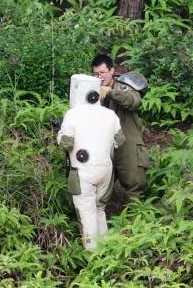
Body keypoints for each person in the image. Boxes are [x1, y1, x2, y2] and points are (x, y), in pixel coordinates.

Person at [57, 88, 124, 250]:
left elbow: (66, 144)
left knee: (86, 215)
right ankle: (107, 251)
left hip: (82, 173)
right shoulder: (110, 114)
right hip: (106, 172)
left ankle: (92, 256)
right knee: (100, 210)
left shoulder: (72, 114)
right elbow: (120, 140)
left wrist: (59, 134)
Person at [91, 54, 149, 199]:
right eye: (96, 74)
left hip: (127, 143)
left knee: (135, 186)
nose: (99, 77)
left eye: (102, 73)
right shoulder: (92, 90)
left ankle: (138, 219)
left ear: (112, 71)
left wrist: (111, 93)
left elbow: (133, 102)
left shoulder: (124, 87)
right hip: (103, 145)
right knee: (99, 190)